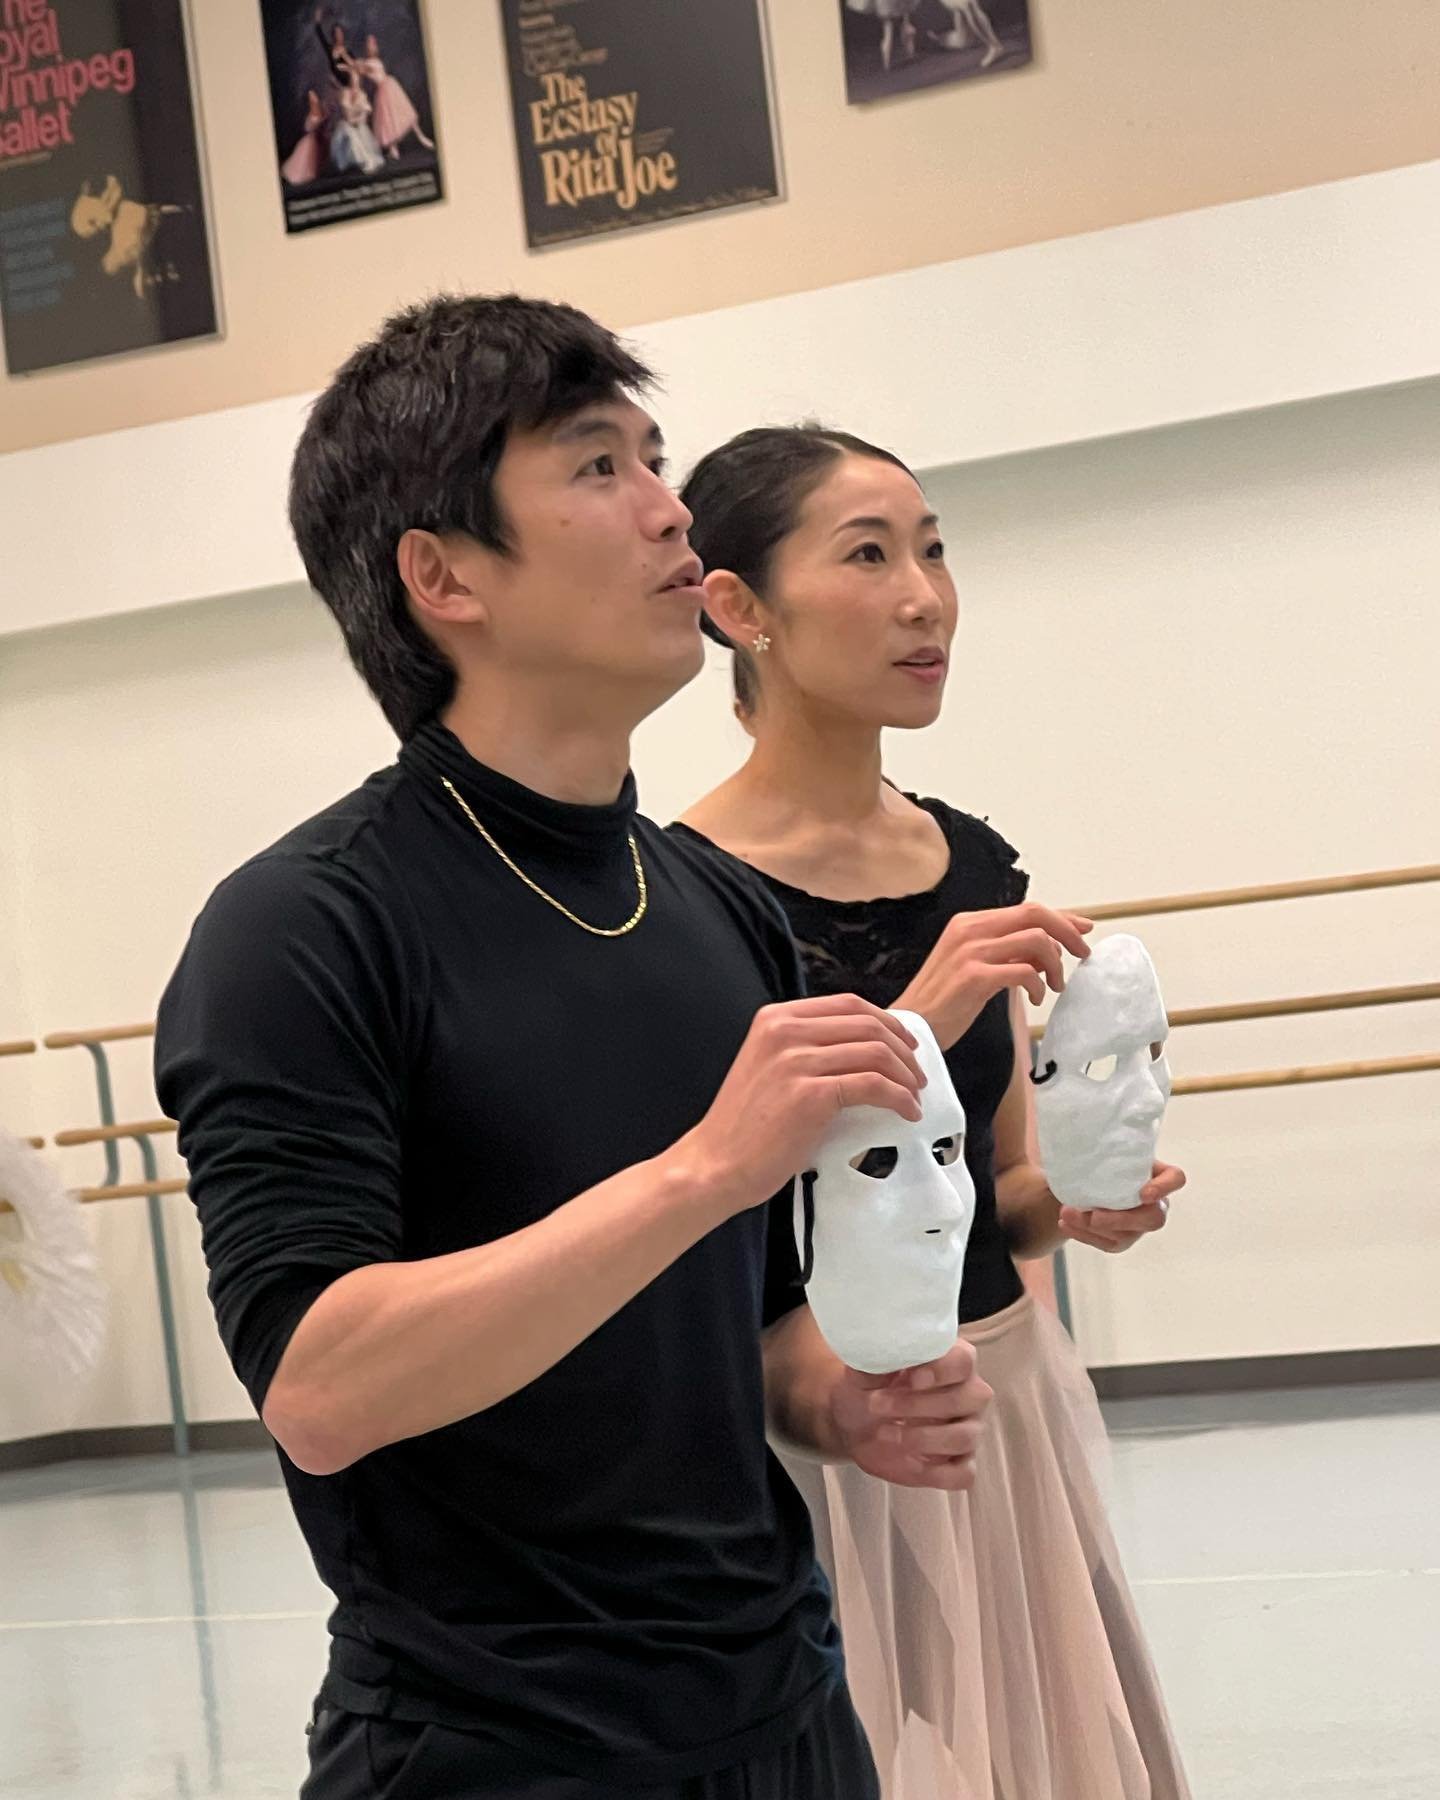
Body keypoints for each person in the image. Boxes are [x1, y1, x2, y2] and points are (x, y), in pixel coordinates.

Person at [154, 299, 993, 1800]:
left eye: (656, 458)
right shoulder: (304, 927)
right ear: (443, 574)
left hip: (785, 1713)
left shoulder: (715, 907)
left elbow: (754, 1330)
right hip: (498, 1748)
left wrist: (833, 1398)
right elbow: (323, 1388)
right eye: (599, 466)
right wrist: (696, 1175)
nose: (672, 508)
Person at [673, 425, 1192, 1798]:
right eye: (867, 554)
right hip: (819, 1423)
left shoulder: (972, 859)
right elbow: (730, 1203)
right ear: (739, 607)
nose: (925, 595)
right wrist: (930, 1004)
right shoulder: (682, 896)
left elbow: (1006, 1179)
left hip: (998, 1392)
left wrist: (1076, 1205)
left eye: (934, 548)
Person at [355, 32, 435, 161]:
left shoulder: (374, 60)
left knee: (403, 111)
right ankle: (393, 148)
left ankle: (421, 137)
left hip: (389, 85)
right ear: (367, 48)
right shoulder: (367, 63)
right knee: (387, 119)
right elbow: (360, 68)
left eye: (373, 45)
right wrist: (352, 63)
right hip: (383, 88)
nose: (373, 47)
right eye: (370, 45)